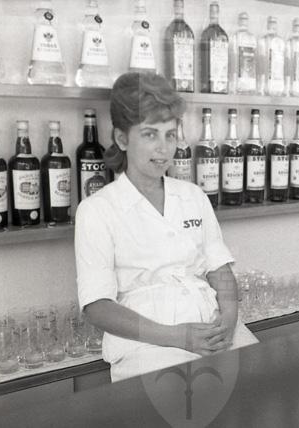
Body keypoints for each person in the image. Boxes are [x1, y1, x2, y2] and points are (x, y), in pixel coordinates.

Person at [75, 72, 257, 382]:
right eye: (150, 135)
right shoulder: (97, 210)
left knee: (258, 387)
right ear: (122, 138)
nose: (164, 148)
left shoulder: (193, 196)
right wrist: (177, 337)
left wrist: (229, 321)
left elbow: (220, 271)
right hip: (148, 343)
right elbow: (98, 307)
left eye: (170, 135)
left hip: (213, 329)